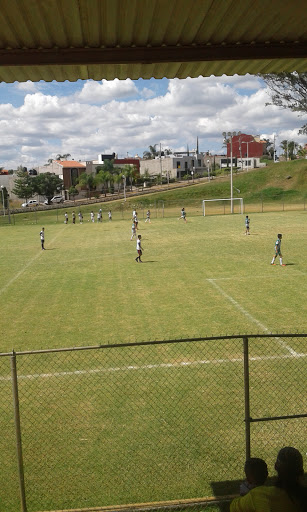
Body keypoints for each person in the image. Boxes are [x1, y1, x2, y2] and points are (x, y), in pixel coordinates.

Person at [230, 446, 307, 512]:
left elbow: (233, 507)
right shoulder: (302, 497)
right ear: (300, 470)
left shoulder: (259, 495)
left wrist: (246, 495)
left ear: (275, 466)